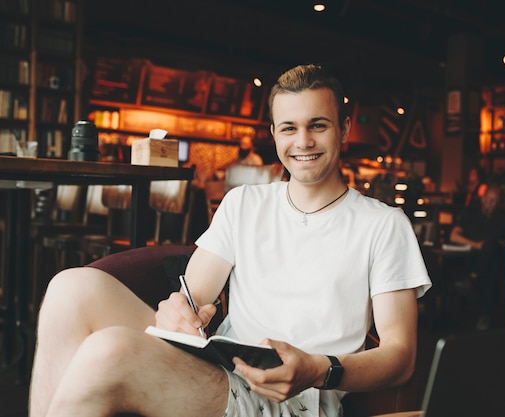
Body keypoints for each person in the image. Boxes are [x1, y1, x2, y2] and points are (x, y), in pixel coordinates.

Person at [29, 64, 431, 417]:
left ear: (342, 128)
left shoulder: (384, 225)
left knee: (110, 350)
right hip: (223, 365)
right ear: (274, 134)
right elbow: (191, 296)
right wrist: (177, 311)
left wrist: (318, 368)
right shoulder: (244, 203)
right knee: (70, 288)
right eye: (289, 128)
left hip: (296, 400)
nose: (303, 141)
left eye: (318, 125)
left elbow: (401, 357)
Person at [449, 184, 505, 329]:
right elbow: (454, 236)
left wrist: (496, 245)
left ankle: (472, 279)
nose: (491, 204)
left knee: (491, 250)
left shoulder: (504, 218)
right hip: (470, 257)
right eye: (489, 200)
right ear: (483, 199)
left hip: (494, 257)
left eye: (495, 201)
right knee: (490, 267)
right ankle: (485, 315)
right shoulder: (470, 213)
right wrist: (476, 245)